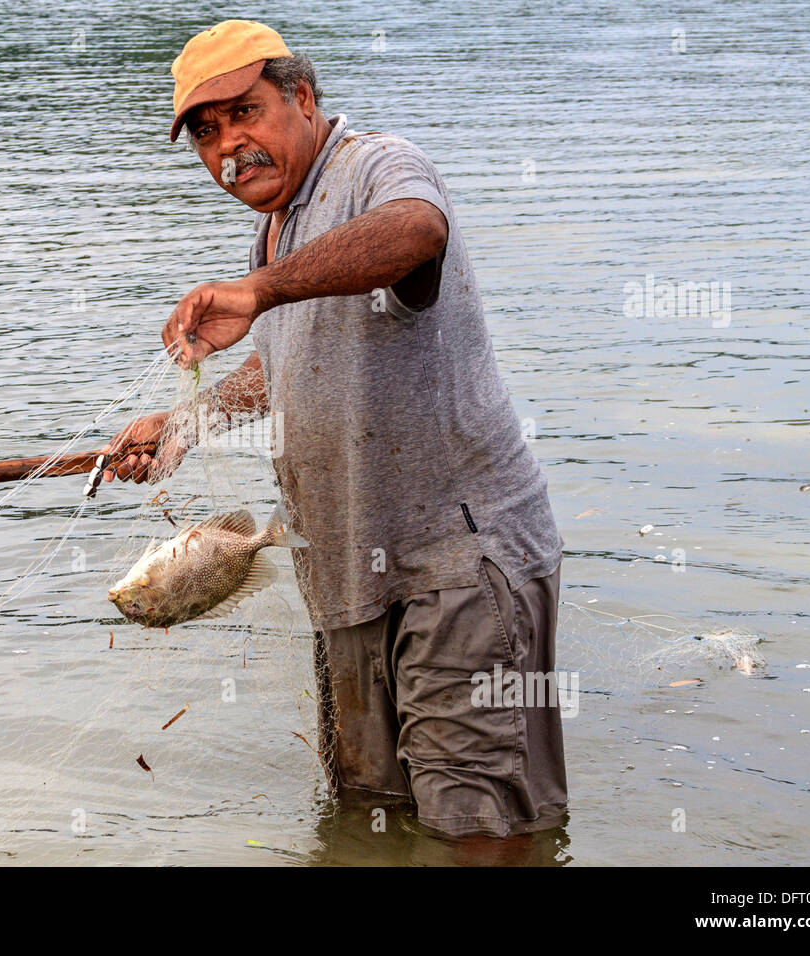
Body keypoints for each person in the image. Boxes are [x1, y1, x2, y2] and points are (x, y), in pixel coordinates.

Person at [105, 20, 567, 840]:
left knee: (476, 822)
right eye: (205, 134)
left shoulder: (375, 167)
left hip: (455, 562)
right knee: (366, 813)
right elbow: (290, 369)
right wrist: (185, 423)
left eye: (243, 113)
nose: (227, 147)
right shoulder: (277, 225)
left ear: (303, 98)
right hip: (346, 566)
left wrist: (260, 293)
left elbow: (417, 230)